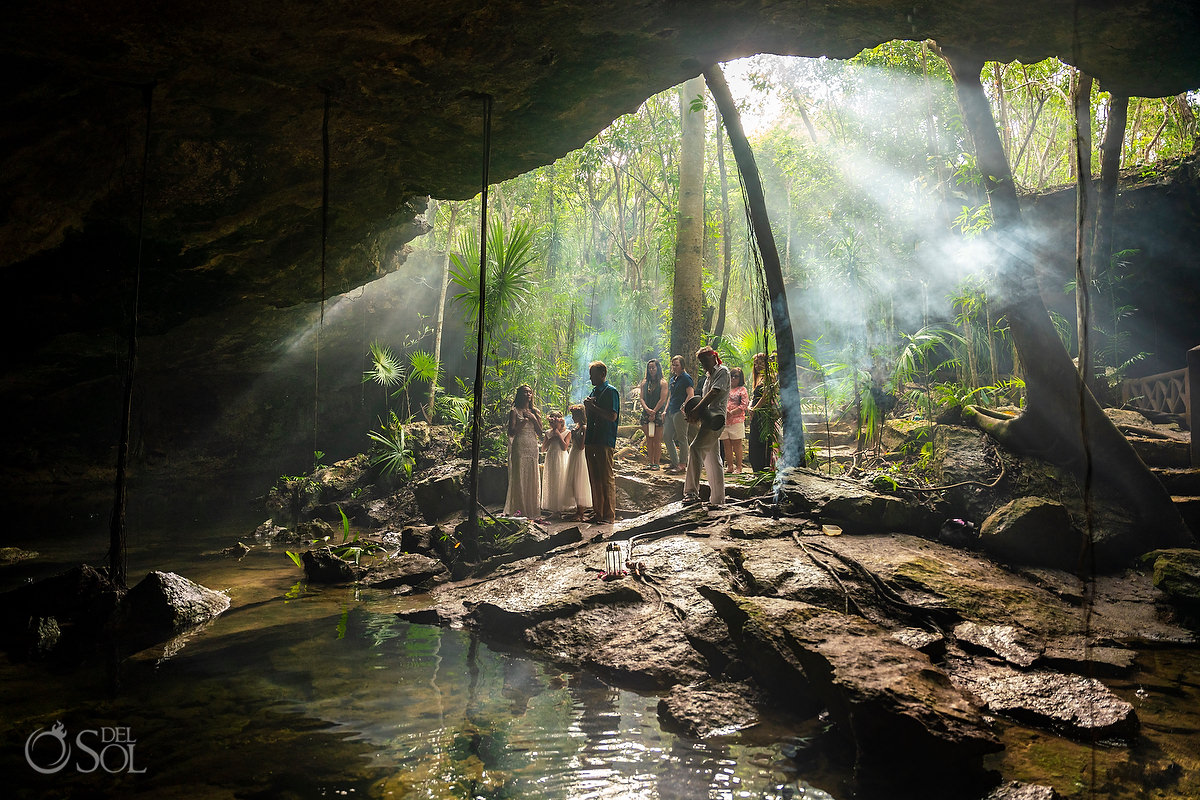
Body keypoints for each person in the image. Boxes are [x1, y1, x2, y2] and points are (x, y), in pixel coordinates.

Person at [684, 346, 730, 509]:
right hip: (708, 420)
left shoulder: (722, 371)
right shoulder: (707, 377)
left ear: (713, 357)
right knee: (712, 460)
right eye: (701, 361)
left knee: (695, 448)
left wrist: (696, 410)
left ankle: (691, 493)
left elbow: (714, 393)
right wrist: (693, 415)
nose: (703, 364)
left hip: (716, 419)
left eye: (705, 360)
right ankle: (718, 500)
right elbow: (703, 398)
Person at [582, 360, 620, 524]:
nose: (590, 378)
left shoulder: (611, 392)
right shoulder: (593, 391)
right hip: (591, 439)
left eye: (593, 375)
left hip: (604, 439)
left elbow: (612, 416)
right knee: (594, 477)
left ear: (602, 374)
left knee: (606, 477)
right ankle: (598, 512)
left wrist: (593, 407)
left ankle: (609, 515)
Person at [504, 384, 543, 518]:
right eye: (525, 392)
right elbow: (511, 432)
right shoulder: (514, 411)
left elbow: (540, 432)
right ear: (520, 394)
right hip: (519, 445)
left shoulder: (535, 411)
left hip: (532, 445)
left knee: (532, 474)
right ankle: (520, 509)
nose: (528, 394)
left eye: (530, 392)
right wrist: (524, 422)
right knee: (520, 475)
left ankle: (532, 509)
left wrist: (532, 418)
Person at [662, 355, 694, 474]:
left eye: (677, 365)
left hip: (680, 412)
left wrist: (684, 406)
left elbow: (690, 394)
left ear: (682, 366)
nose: (674, 367)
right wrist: (665, 410)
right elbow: (670, 396)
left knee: (682, 437)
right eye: (673, 365)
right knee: (666, 435)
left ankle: (682, 464)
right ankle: (674, 462)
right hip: (671, 410)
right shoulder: (673, 379)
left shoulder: (686, 378)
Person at [747, 352, 775, 472]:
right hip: (755, 414)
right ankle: (756, 470)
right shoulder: (758, 378)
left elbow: (766, 396)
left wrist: (755, 409)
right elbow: (754, 397)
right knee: (753, 443)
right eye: (755, 364)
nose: (758, 366)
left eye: (760, 363)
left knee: (761, 443)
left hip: (763, 415)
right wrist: (750, 407)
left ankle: (762, 470)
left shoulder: (770, 377)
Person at [638, 358, 667, 470]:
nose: (651, 370)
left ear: (657, 368)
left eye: (653, 367)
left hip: (658, 412)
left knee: (657, 439)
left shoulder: (662, 383)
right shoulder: (644, 383)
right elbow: (641, 398)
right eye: (649, 368)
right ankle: (650, 462)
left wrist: (654, 411)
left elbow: (662, 399)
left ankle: (657, 463)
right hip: (646, 412)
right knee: (649, 438)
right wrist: (647, 409)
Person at [565, 404, 593, 521]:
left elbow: (582, 446)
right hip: (573, 454)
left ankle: (581, 512)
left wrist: (575, 435)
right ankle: (577, 510)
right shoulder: (577, 427)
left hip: (579, 456)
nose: (572, 417)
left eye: (574, 415)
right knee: (573, 482)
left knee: (579, 482)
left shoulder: (584, 428)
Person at [540, 410, 570, 514]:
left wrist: (558, 435)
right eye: (551, 422)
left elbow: (564, 447)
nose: (552, 424)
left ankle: (562, 505)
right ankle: (553, 506)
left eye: (554, 422)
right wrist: (550, 439)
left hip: (561, 457)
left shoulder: (567, 432)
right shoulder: (548, 433)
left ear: (560, 422)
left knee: (561, 478)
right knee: (552, 479)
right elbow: (543, 449)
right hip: (551, 457)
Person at [721, 366, 748, 474]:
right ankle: (730, 466)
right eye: (731, 376)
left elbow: (744, 405)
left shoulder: (742, 390)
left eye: (736, 376)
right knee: (726, 444)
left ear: (740, 378)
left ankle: (739, 467)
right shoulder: (725, 388)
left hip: (736, 420)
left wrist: (731, 412)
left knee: (737, 444)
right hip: (724, 421)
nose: (733, 378)